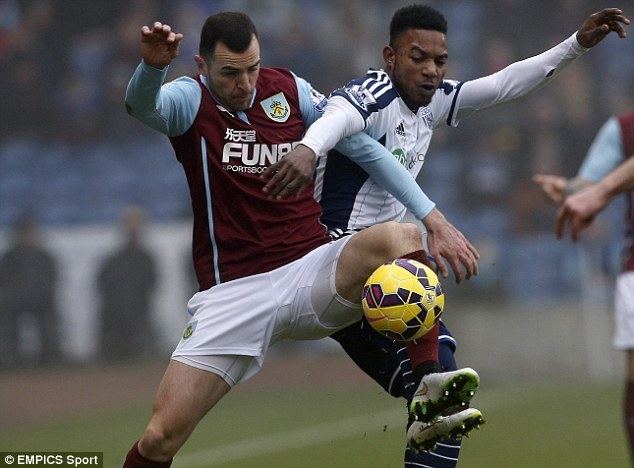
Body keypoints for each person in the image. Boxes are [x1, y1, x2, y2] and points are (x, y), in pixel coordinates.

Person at [265, 4, 629, 465]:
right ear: (390, 56)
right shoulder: (373, 94)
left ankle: (426, 391)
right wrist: (307, 148)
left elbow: (502, 85)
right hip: (338, 259)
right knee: (436, 383)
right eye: (418, 57)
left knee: (443, 403)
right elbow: (336, 114)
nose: (431, 70)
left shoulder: (433, 101)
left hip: (384, 271)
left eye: (440, 61)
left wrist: (575, 45)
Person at [121, 12, 480, 467]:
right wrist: (152, 67)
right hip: (235, 294)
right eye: (231, 72)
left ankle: (427, 385)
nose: (245, 83)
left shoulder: (288, 90)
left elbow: (364, 147)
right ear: (202, 66)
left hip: (311, 271)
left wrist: (433, 218)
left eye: (252, 68)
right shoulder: (189, 100)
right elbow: (141, 106)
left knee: (402, 235)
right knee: (159, 439)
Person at [534, 112, 634, 458]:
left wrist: (601, 193)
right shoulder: (622, 128)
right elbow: (588, 184)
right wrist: (569, 189)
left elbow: (599, 190)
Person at [97, 206, 158, 361]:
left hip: (139, 307)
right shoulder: (114, 259)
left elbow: (152, 282)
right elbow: (103, 282)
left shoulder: (146, 259)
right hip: (116, 309)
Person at [0, 217, 60, 367]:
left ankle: (49, 358)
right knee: (6, 318)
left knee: (49, 318)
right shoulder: (9, 257)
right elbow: (4, 281)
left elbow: (52, 280)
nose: (27, 237)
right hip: (14, 301)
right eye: (24, 233)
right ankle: (10, 359)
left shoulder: (44, 257)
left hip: (41, 301)